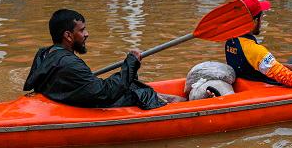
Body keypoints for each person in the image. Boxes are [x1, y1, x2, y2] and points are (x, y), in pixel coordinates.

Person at [24, 9, 184, 109]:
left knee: (134, 86)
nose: (86, 34)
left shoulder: (44, 53)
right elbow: (105, 94)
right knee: (146, 94)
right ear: (68, 35)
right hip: (86, 103)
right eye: (82, 30)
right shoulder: (70, 64)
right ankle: (187, 104)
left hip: (67, 98)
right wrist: (131, 63)